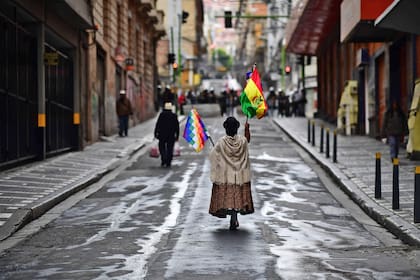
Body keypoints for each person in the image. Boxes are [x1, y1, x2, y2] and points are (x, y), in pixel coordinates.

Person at [209, 117, 254, 230]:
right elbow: (247, 140)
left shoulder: (221, 142)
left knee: (229, 198)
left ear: (225, 128)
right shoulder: (242, 141)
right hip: (239, 176)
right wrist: (247, 129)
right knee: (237, 197)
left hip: (226, 176)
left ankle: (232, 217)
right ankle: (234, 217)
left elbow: (213, 156)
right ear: (237, 128)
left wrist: (217, 152)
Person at [154, 102, 179, 167]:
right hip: (171, 135)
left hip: (162, 134)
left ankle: (163, 158)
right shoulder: (174, 115)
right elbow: (177, 126)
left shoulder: (162, 115)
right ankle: (168, 161)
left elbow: (158, 124)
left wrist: (155, 133)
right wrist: (177, 135)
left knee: (162, 147)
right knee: (170, 148)